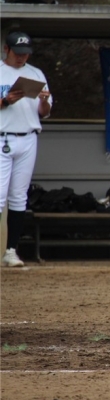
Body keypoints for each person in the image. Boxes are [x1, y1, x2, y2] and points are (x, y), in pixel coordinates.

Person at [1, 31, 53, 267]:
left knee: (19, 196)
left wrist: (44, 100)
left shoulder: (35, 73)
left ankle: (11, 250)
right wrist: (5, 101)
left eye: (25, 53)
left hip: (28, 136)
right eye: (17, 53)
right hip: (3, 136)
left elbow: (44, 112)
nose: (22, 57)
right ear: (6, 50)